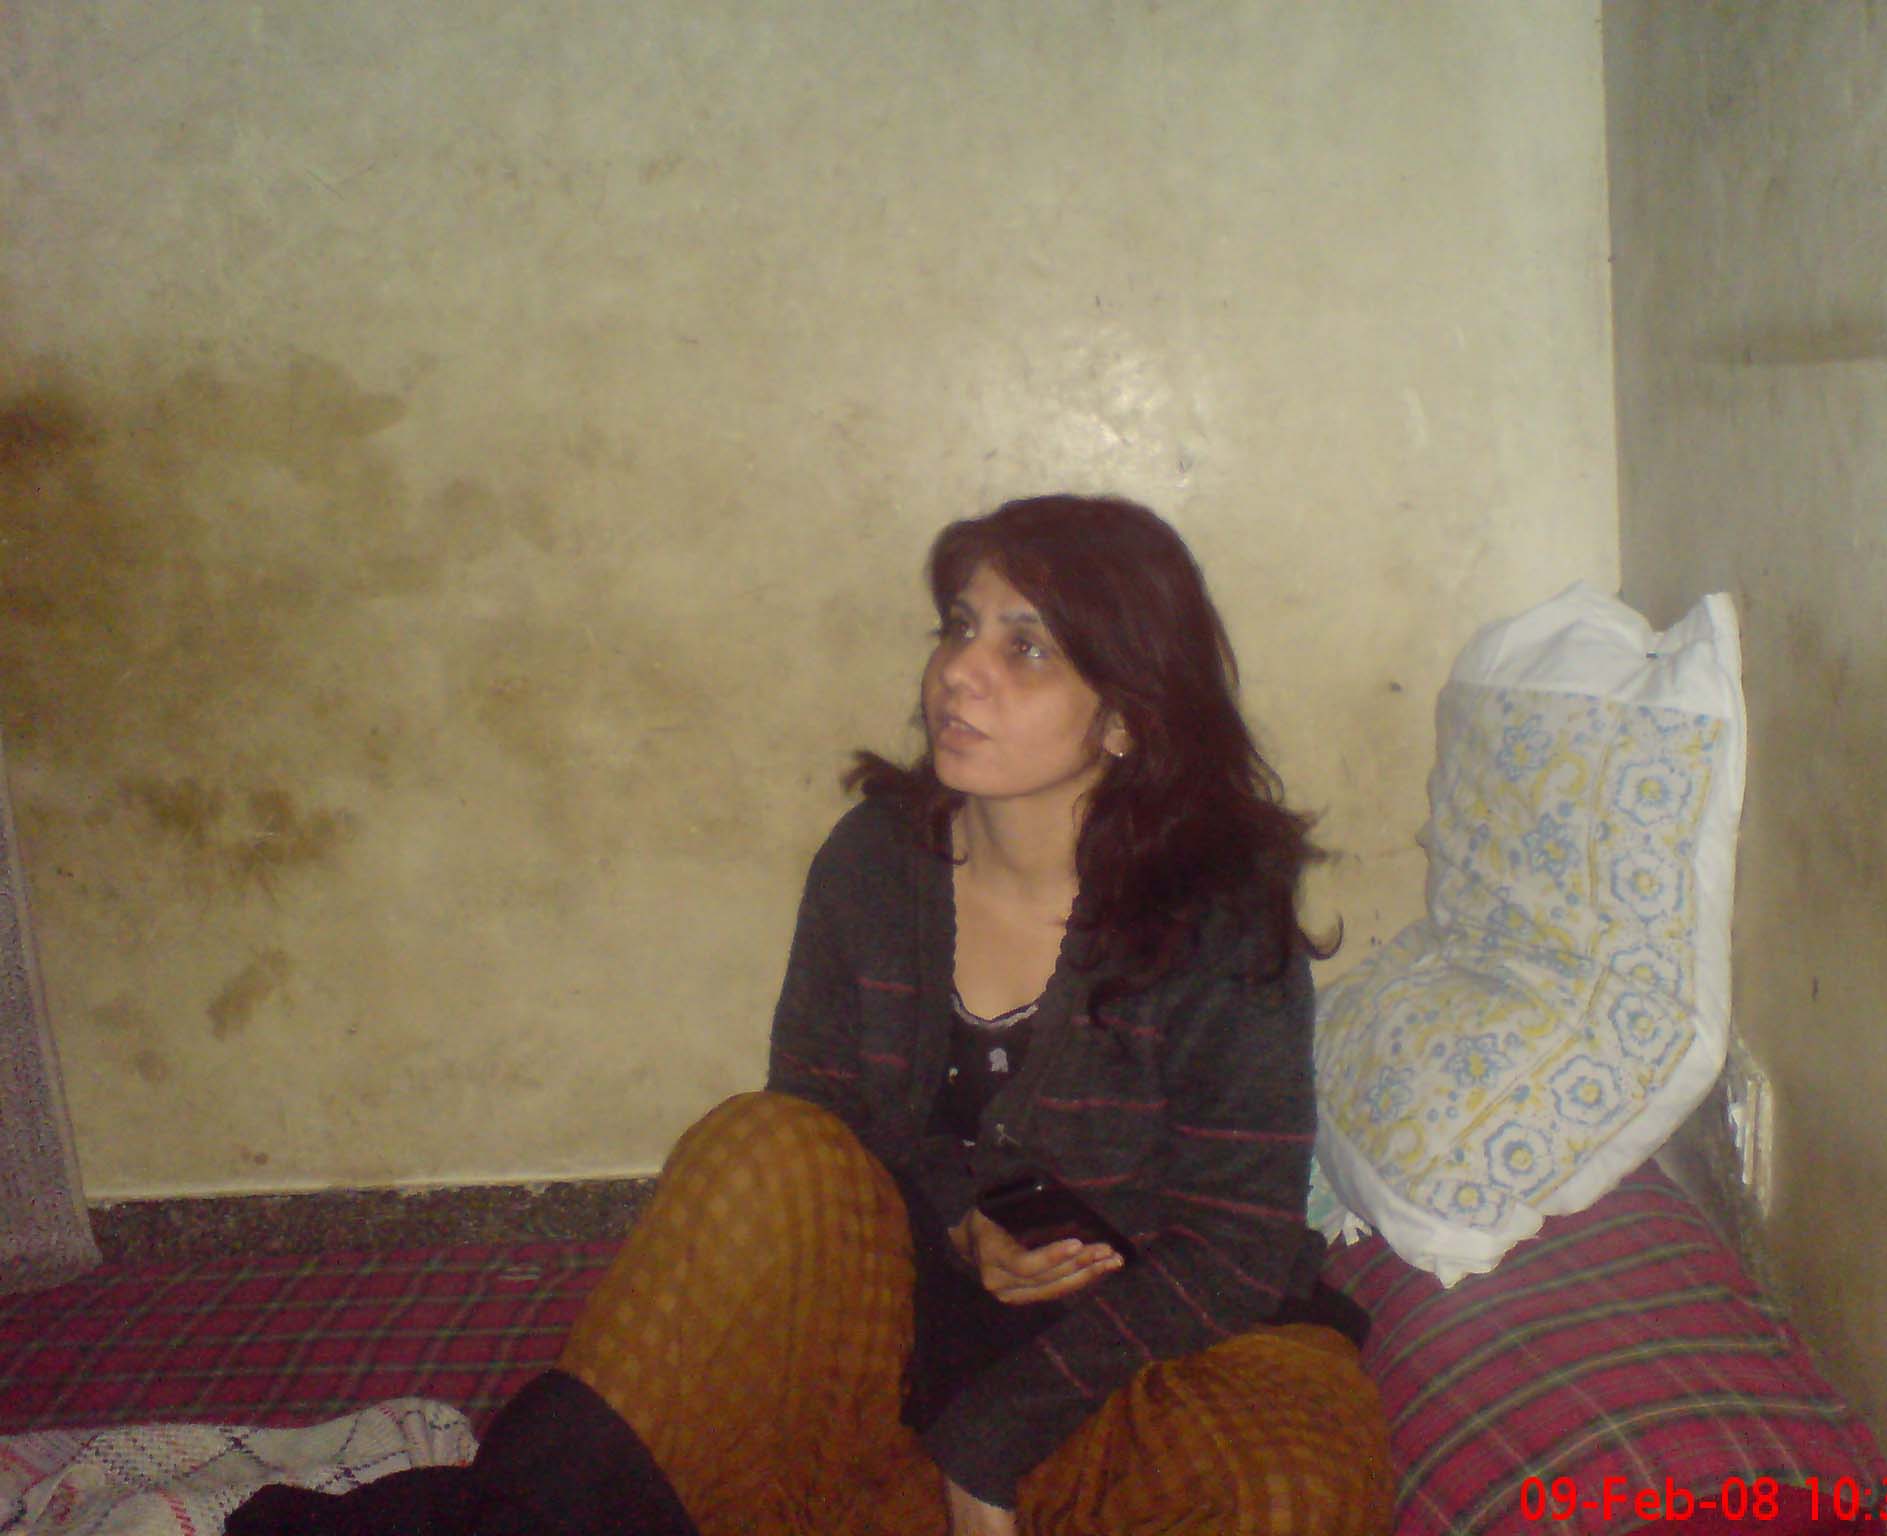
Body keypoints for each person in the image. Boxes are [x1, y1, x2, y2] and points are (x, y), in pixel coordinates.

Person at [229, 494, 1391, 1536]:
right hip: (901, 1325)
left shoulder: (1215, 919)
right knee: (760, 1146)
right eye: (958, 626)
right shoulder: (876, 863)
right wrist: (957, 1221)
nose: (959, 672)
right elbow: (822, 1124)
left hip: (1134, 1349)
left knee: (1292, 1475)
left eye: (1024, 646)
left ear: (1124, 716)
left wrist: (994, 1438)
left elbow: (1236, 1248)